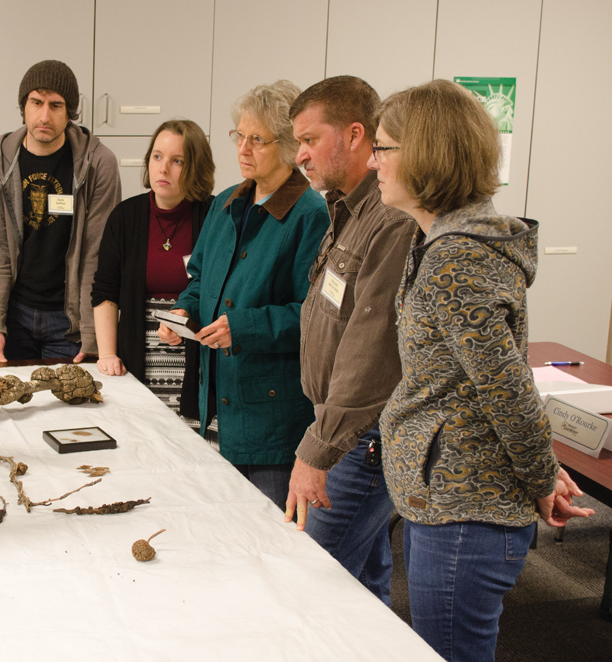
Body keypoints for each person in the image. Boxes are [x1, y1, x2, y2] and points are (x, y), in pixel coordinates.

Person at [371, 79, 593, 661]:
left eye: (384, 147)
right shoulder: (441, 243)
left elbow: (508, 392)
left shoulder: (456, 257)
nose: (374, 161)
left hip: (466, 507)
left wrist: (543, 477)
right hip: (446, 498)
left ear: (426, 156)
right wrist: (542, 472)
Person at [158, 81, 328, 505]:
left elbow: (313, 315)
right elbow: (199, 281)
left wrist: (243, 327)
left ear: (289, 146)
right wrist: (183, 313)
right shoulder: (224, 204)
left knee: (270, 542)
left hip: (272, 415)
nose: (243, 149)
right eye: (239, 136)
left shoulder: (310, 215)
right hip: (218, 404)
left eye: (257, 140)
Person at [281, 76, 416, 606]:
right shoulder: (347, 210)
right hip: (340, 428)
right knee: (362, 585)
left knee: (311, 584)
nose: (301, 156)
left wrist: (317, 450)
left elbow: (371, 349)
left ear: (356, 135)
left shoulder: (390, 220)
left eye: (311, 140)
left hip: (357, 438)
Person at [0, 60, 121, 363]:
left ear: (70, 112)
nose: (44, 116)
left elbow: (96, 254)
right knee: (14, 408)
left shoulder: (98, 165)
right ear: (23, 106)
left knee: (73, 410)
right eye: (36, 102)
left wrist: (93, 335)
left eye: (56, 105)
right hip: (14, 318)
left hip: (70, 324)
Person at [91, 120, 215, 427]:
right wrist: (107, 354)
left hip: (196, 359)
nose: (163, 169)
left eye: (177, 161)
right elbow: (105, 290)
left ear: (195, 168)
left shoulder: (215, 215)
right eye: (157, 157)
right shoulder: (125, 217)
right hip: (136, 356)